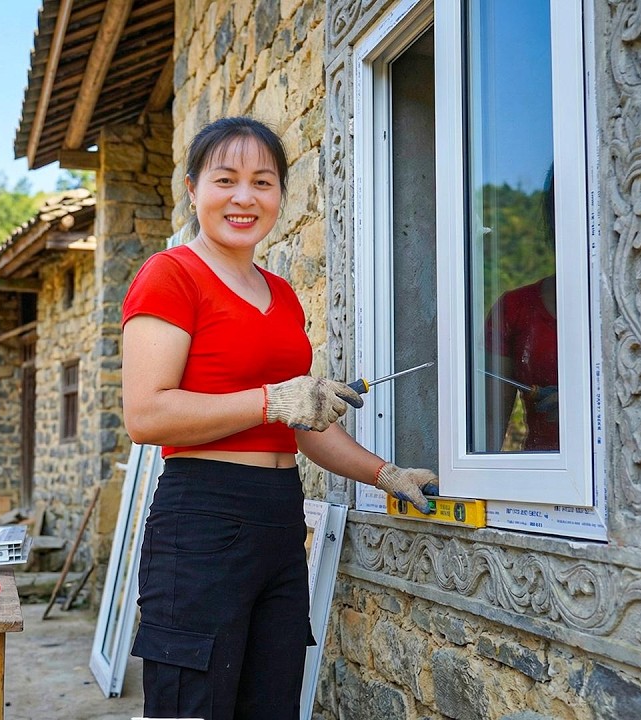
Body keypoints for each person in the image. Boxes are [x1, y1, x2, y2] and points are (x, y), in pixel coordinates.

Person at [120, 116, 439, 720]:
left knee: (272, 703)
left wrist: (387, 474)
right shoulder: (170, 275)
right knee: (194, 706)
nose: (245, 197)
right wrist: (271, 399)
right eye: (226, 180)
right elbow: (147, 414)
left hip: (278, 516)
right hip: (204, 517)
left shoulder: (283, 294)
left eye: (263, 182)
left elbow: (303, 424)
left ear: (280, 197)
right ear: (193, 189)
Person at [483, 168, 559, 452]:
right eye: (557, 215)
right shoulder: (513, 310)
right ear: (549, 223)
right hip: (539, 477)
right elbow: (485, 430)